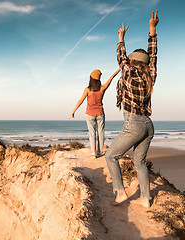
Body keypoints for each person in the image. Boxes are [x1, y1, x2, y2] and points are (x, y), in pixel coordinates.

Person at [105, 10, 159, 208]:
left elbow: (121, 57)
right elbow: (152, 56)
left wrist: (121, 38)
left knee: (111, 156)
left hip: (134, 124)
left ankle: (120, 193)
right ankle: (145, 198)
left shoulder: (128, 72)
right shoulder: (150, 75)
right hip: (148, 125)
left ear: (132, 61)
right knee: (140, 162)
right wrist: (152, 30)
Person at [69, 68, 120, 158]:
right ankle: (99, 152)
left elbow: (80, 100)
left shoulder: (88, 89)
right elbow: (111, 77)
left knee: (92, 134)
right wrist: (120, 68)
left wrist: (73, 111)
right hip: (100, 113)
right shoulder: (102, 88)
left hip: (89, 114)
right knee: (101, 133)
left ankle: (93, 153)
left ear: (91, 79)